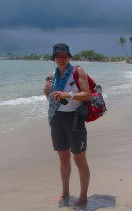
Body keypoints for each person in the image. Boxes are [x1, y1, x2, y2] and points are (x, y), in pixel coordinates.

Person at [43, 43, 90, 206]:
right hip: (57, 119)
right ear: (54, 58)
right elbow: (50, 99)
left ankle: (83, 197)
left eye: (64, 55)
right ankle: (65, 193)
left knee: (79, 160)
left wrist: (67, 94)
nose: (61, 58)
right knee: (63, 159)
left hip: (74, 119)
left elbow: (86, 96)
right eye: (58, 55)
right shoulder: (52, 75)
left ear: (69, 57)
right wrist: (46, 91)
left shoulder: (77, 71)